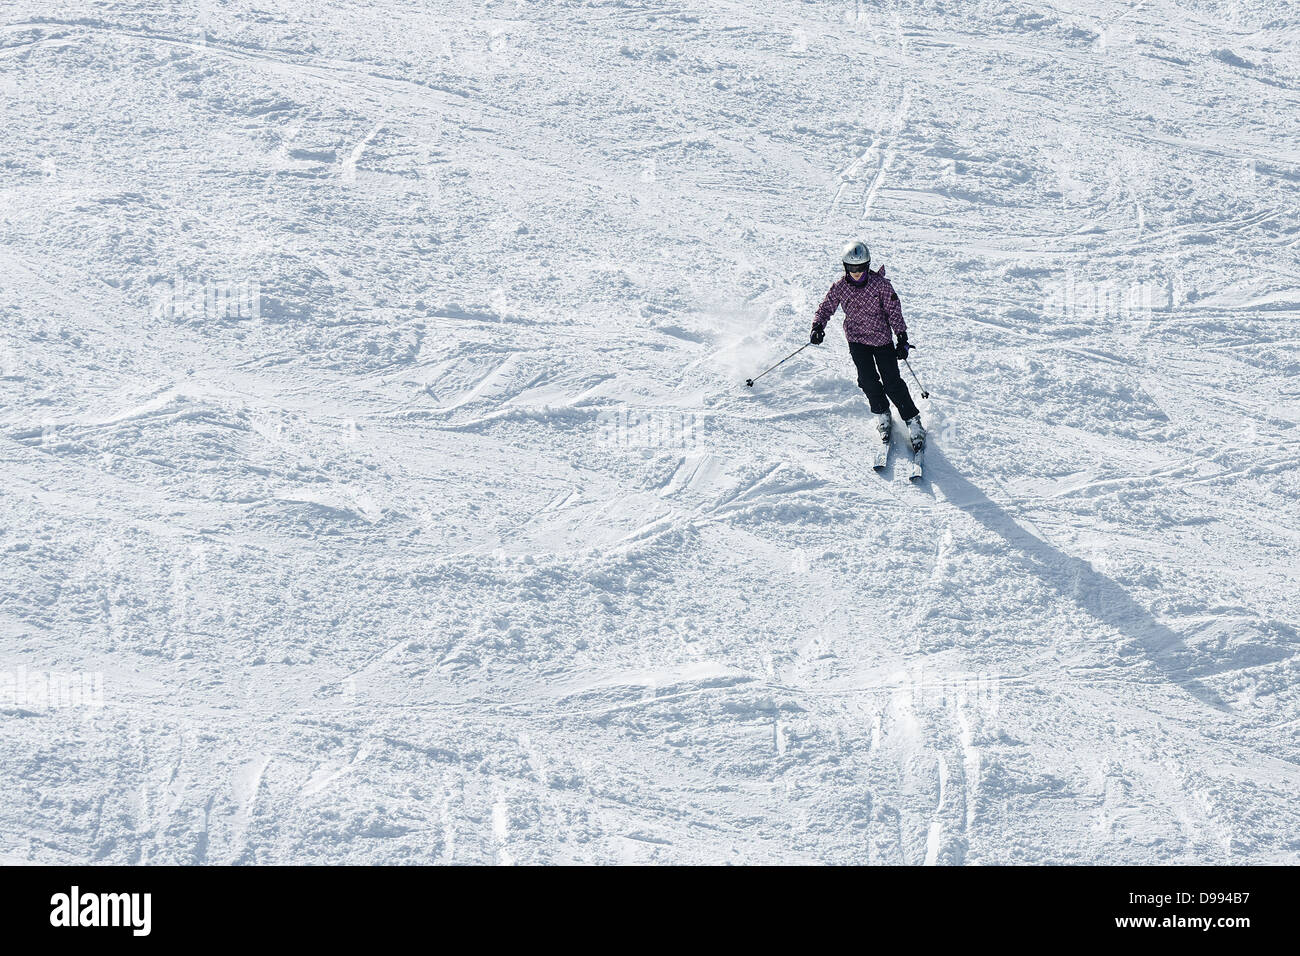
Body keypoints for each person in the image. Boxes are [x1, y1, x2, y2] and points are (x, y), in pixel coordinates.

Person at [810, 239, 925, 450]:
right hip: (857, 340)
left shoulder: (880, 285)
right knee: (867, 380)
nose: (856, 272)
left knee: (892, 383)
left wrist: (902, 337)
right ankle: (882, 413)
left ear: (868, 264)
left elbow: (894, 311)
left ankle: (912, 420)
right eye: (852, 268)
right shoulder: (840, 287)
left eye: (860, 267)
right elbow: (826, 307)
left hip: (881, 340)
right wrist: (818, 325)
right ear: (845, 266)